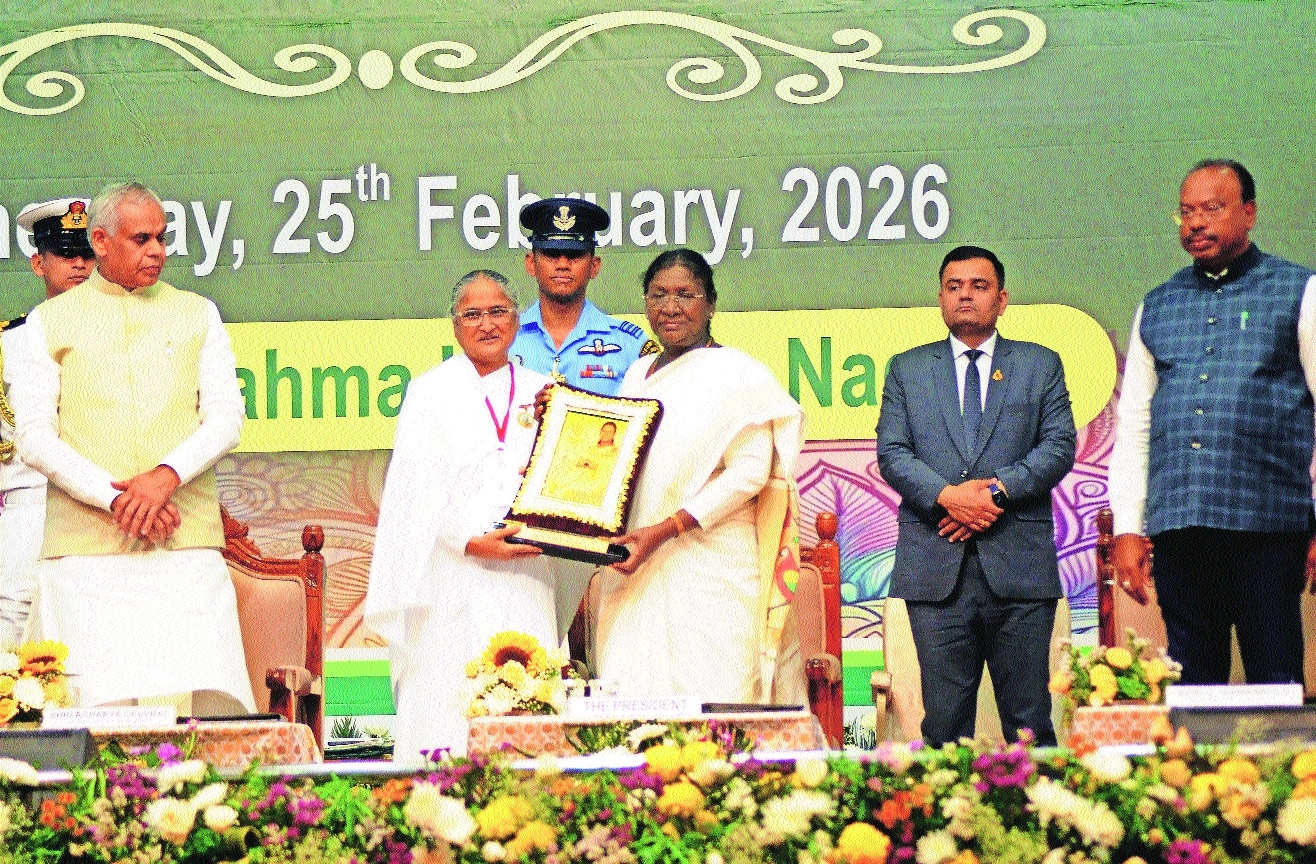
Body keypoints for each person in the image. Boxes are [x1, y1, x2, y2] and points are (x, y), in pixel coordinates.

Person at [9, 182, 254, 713]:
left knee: (201, 717)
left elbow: (226, 418)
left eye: (162, 238)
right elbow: (33, 437)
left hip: (183, 541)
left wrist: (163, 479)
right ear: (100, 240)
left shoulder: (199, 312)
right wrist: (118, 499)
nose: (157, 251)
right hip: (85, 551)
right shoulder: (45, 326)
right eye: (142, 238)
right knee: (91, 718)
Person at [1109, 159, 1316, 685]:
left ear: (1248, 213)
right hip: (1182, 529)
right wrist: (1130, 529)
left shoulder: (1299, 291)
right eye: (1185, 212)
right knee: (1194, 691)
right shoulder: (1155, 305)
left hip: (1269, 528)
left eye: (1212, 209)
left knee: (1275, 680)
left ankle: (1280, 772)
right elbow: (1134, 425)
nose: (1195, 223)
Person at [877, 245, 1075, 746]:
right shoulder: (908, 368)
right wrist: (948, 496)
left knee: (1030, 720)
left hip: (1019, 570)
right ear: (940, 298)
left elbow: (1058, 447)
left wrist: (994, 493)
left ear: (1002, 299)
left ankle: (1041, 821)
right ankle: (947, 826)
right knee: (943, 726)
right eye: (953, 286)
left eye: (979, 286)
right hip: (935, 571)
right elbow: (893, 453)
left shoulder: (1039, 364)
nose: (965, 295)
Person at [593, 248, 803, 701]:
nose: (670, 308)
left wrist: (668, 528)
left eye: (685, 295)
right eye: (658, 295)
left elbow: (749, 473)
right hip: (637, 561)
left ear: (710, 302)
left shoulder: (738, 374)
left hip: (712, 563)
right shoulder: (636, 374)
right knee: (633, 697)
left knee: (719, 696)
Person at [364, 270, 557, 760]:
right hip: (449, 574)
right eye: (472, 314)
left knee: (529, 698)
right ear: (455, 326)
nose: (486, 324)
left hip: (527, 569)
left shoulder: (547, 392)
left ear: (517, 322)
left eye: (498, 312)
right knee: (444, 706)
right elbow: (413, 492)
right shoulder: (429, 393)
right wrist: (471, 541)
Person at [0, 198, 95, 646]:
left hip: (101, 504)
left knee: (92, 635)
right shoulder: (8, 343)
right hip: (28, 503)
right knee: (10, 629)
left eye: (87, 254)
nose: (79, 264)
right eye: (65, 253)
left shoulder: (123, 338)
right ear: (39, 262)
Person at [511, 197, 653, 395]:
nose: (562, 264)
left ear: (594, 266)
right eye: (551, 254)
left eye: (574, 255)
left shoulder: (630, 344)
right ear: (531, 264)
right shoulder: (505, 338)